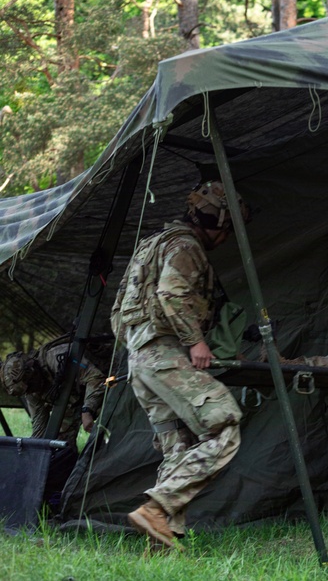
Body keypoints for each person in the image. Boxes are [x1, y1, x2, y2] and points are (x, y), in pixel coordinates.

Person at [110, 180, 249, 552]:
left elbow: (118, 310)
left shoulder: (151, 245)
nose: (226, 238)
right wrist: (194, 341)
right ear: (218, 221)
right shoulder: (186, 246)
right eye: (227, 229)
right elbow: (171, 293)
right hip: (164, 355)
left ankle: (162, 542)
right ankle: (157, 508)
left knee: (178, 446)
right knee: (224, 426)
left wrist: (139, 349)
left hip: (139, 360)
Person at [1, 334, 108, 505]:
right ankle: (71, 486)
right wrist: (30, 460)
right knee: (62, 446)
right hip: (74, 401)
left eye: (30, 386)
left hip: (105, 386)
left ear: (32, 372)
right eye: (27, 391)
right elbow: (39, 429)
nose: (31, 391)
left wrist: (87, 410)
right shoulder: (31, 391)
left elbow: (96, 377)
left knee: (109, 431)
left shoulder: (58, 356)